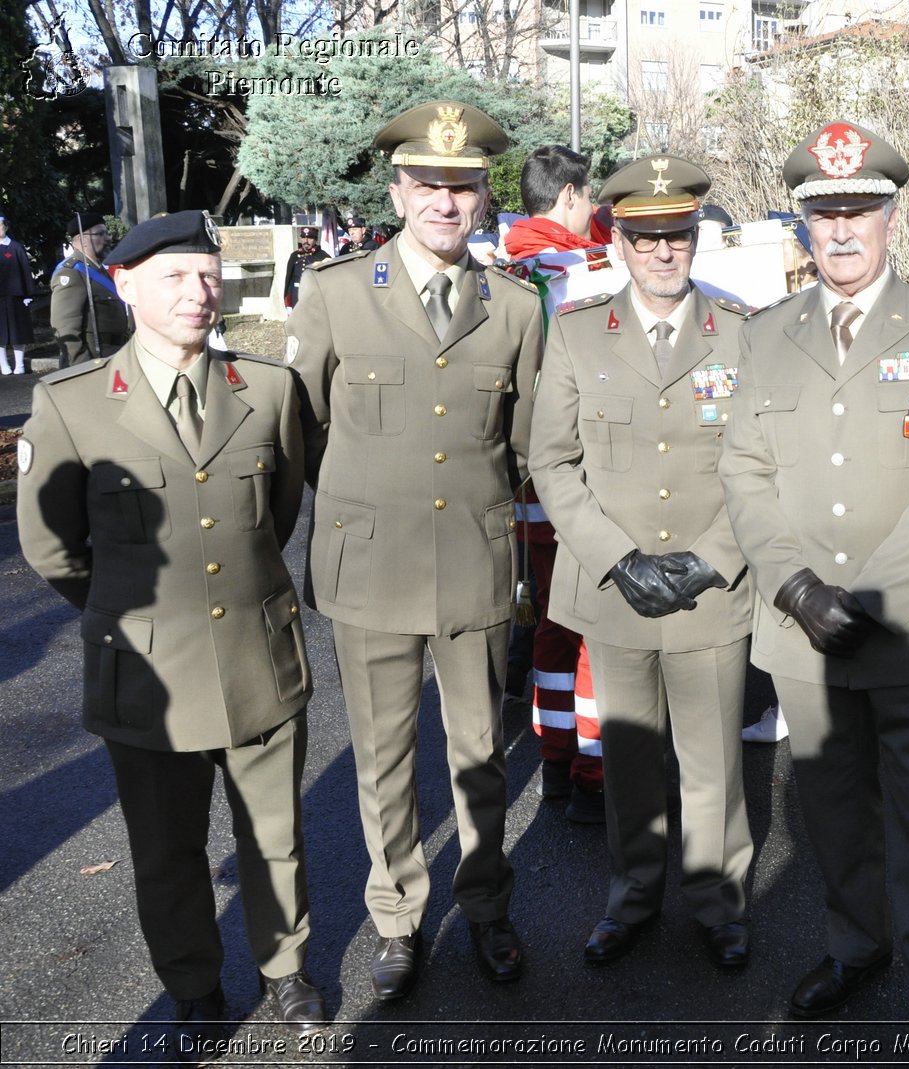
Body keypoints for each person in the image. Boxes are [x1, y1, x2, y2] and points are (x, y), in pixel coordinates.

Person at [16, 210, 327, 1047]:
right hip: (146, 674)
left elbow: (280, 510)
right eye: (175, 278)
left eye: (206, 274)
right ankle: (191, 984)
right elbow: (53, 547)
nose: (199, 293)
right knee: (166, 849)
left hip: (259, 654)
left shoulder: (268, 390)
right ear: (125, 287)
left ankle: (285, 969)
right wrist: (131, 617)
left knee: (276, 836)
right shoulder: (73, 404)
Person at [719, 121, 909, 1050]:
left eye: (859, 211)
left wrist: (862, 601)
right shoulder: (765, 337)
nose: (841, 230)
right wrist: (796, 588)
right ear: (802, 225)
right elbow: (744, 468)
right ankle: (856, 943)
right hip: (800, 626)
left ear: (891, 217)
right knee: (831, 808)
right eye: (823, 213)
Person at [287, 100, 543, 1001]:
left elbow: (520, 443)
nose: (446, 200)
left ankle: (485, 904)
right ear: (397, 190)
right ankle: (396, 917)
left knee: (481, 751)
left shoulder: (515, 307)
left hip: (472, 561)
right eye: (428, 184)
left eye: (463, 185)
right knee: (383, 757)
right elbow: (302, 430)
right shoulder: (335, 293)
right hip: (369, 566)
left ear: (482, 198)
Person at [529, 154, 757, 970]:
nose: (665, 251)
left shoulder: (742, 330)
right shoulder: (582, 332)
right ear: (617, 241)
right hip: (614, 589)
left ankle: (719, 899)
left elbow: (763, 464)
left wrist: (714, 557)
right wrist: (616, 557)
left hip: (711, 589)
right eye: (646, 237)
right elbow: (551, 461)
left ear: (697, 238)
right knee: (625, 761)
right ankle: (631, 896)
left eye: (679, 235)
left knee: (713, 761)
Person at [502, 143, 607, 821]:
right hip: (588, 472)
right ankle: (594, 765)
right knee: (599, 619)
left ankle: (554, 755)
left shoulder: (508, 263)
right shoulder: (585, 269)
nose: (594, 206)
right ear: (568, 194)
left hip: (530, 482)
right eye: (589, 196)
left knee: (551, 620)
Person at [49, 214, 130, 366]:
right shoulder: (71, 273)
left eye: (107, 233)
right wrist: (82, 367)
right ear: (82, 239)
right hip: (94, 360)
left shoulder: (100, 270)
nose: (108, 238)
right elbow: (65, 328)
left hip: (114, 356)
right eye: (101, 234)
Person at [0, 212, 37, 374]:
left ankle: (19, 364)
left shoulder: (16, 247)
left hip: (16, 297)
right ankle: (3, 364)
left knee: (18, 332)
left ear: (6, 227)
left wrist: (28, 294)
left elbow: (25, 271)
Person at [282, 226, 328, 309]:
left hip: (314, 295)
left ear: (316, 240)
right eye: (303, 238)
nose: (306, 241)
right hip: (296, 294)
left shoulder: (323, 257)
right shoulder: (294, 256)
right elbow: (289, 279)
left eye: (310, 238)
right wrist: (288, 300)